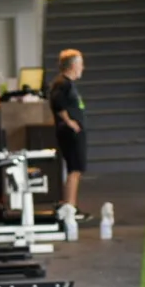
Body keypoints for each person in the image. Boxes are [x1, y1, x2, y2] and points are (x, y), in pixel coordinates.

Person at [48, 49, 88, 217]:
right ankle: (69, 205)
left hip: (74, 132)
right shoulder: (62, 83)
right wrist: (69, 121)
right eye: (80, 64)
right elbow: (57, 104)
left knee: (76, 168)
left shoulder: (68, 84)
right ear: (72, 66)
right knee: (75, 168)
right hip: (69, 133)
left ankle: (70, 204)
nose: (82, 68)